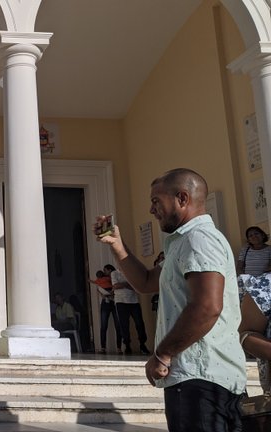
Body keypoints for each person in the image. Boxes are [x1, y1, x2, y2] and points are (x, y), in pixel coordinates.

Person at [97, 168, 246, 432]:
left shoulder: (199, 239)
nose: (152, 209)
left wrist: (163, 353)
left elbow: (207, 306)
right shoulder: (182, 242)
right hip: (194, 378)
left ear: (182, 198)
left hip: (203, 377)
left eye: (156, 201)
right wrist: (117, 246)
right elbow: (144, 282)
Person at [105, 264, 150, 355]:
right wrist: (129, 284)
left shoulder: (131, 272)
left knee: (139, 323)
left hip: (134, 301)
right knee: (124, 325)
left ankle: (142, 344)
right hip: (120, 302)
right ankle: (127, 345)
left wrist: (123, 285)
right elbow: (116, 285)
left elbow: (136, 286)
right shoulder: (114, 273)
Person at [89, 269, 122, 354]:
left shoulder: (111, 278)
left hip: (113, 301)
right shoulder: (103, 280)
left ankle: (119, 347)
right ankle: (103, 347)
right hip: (106, 301)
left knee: (118, 325)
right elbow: (97, 287)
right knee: (104, 325)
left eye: (106, 270)